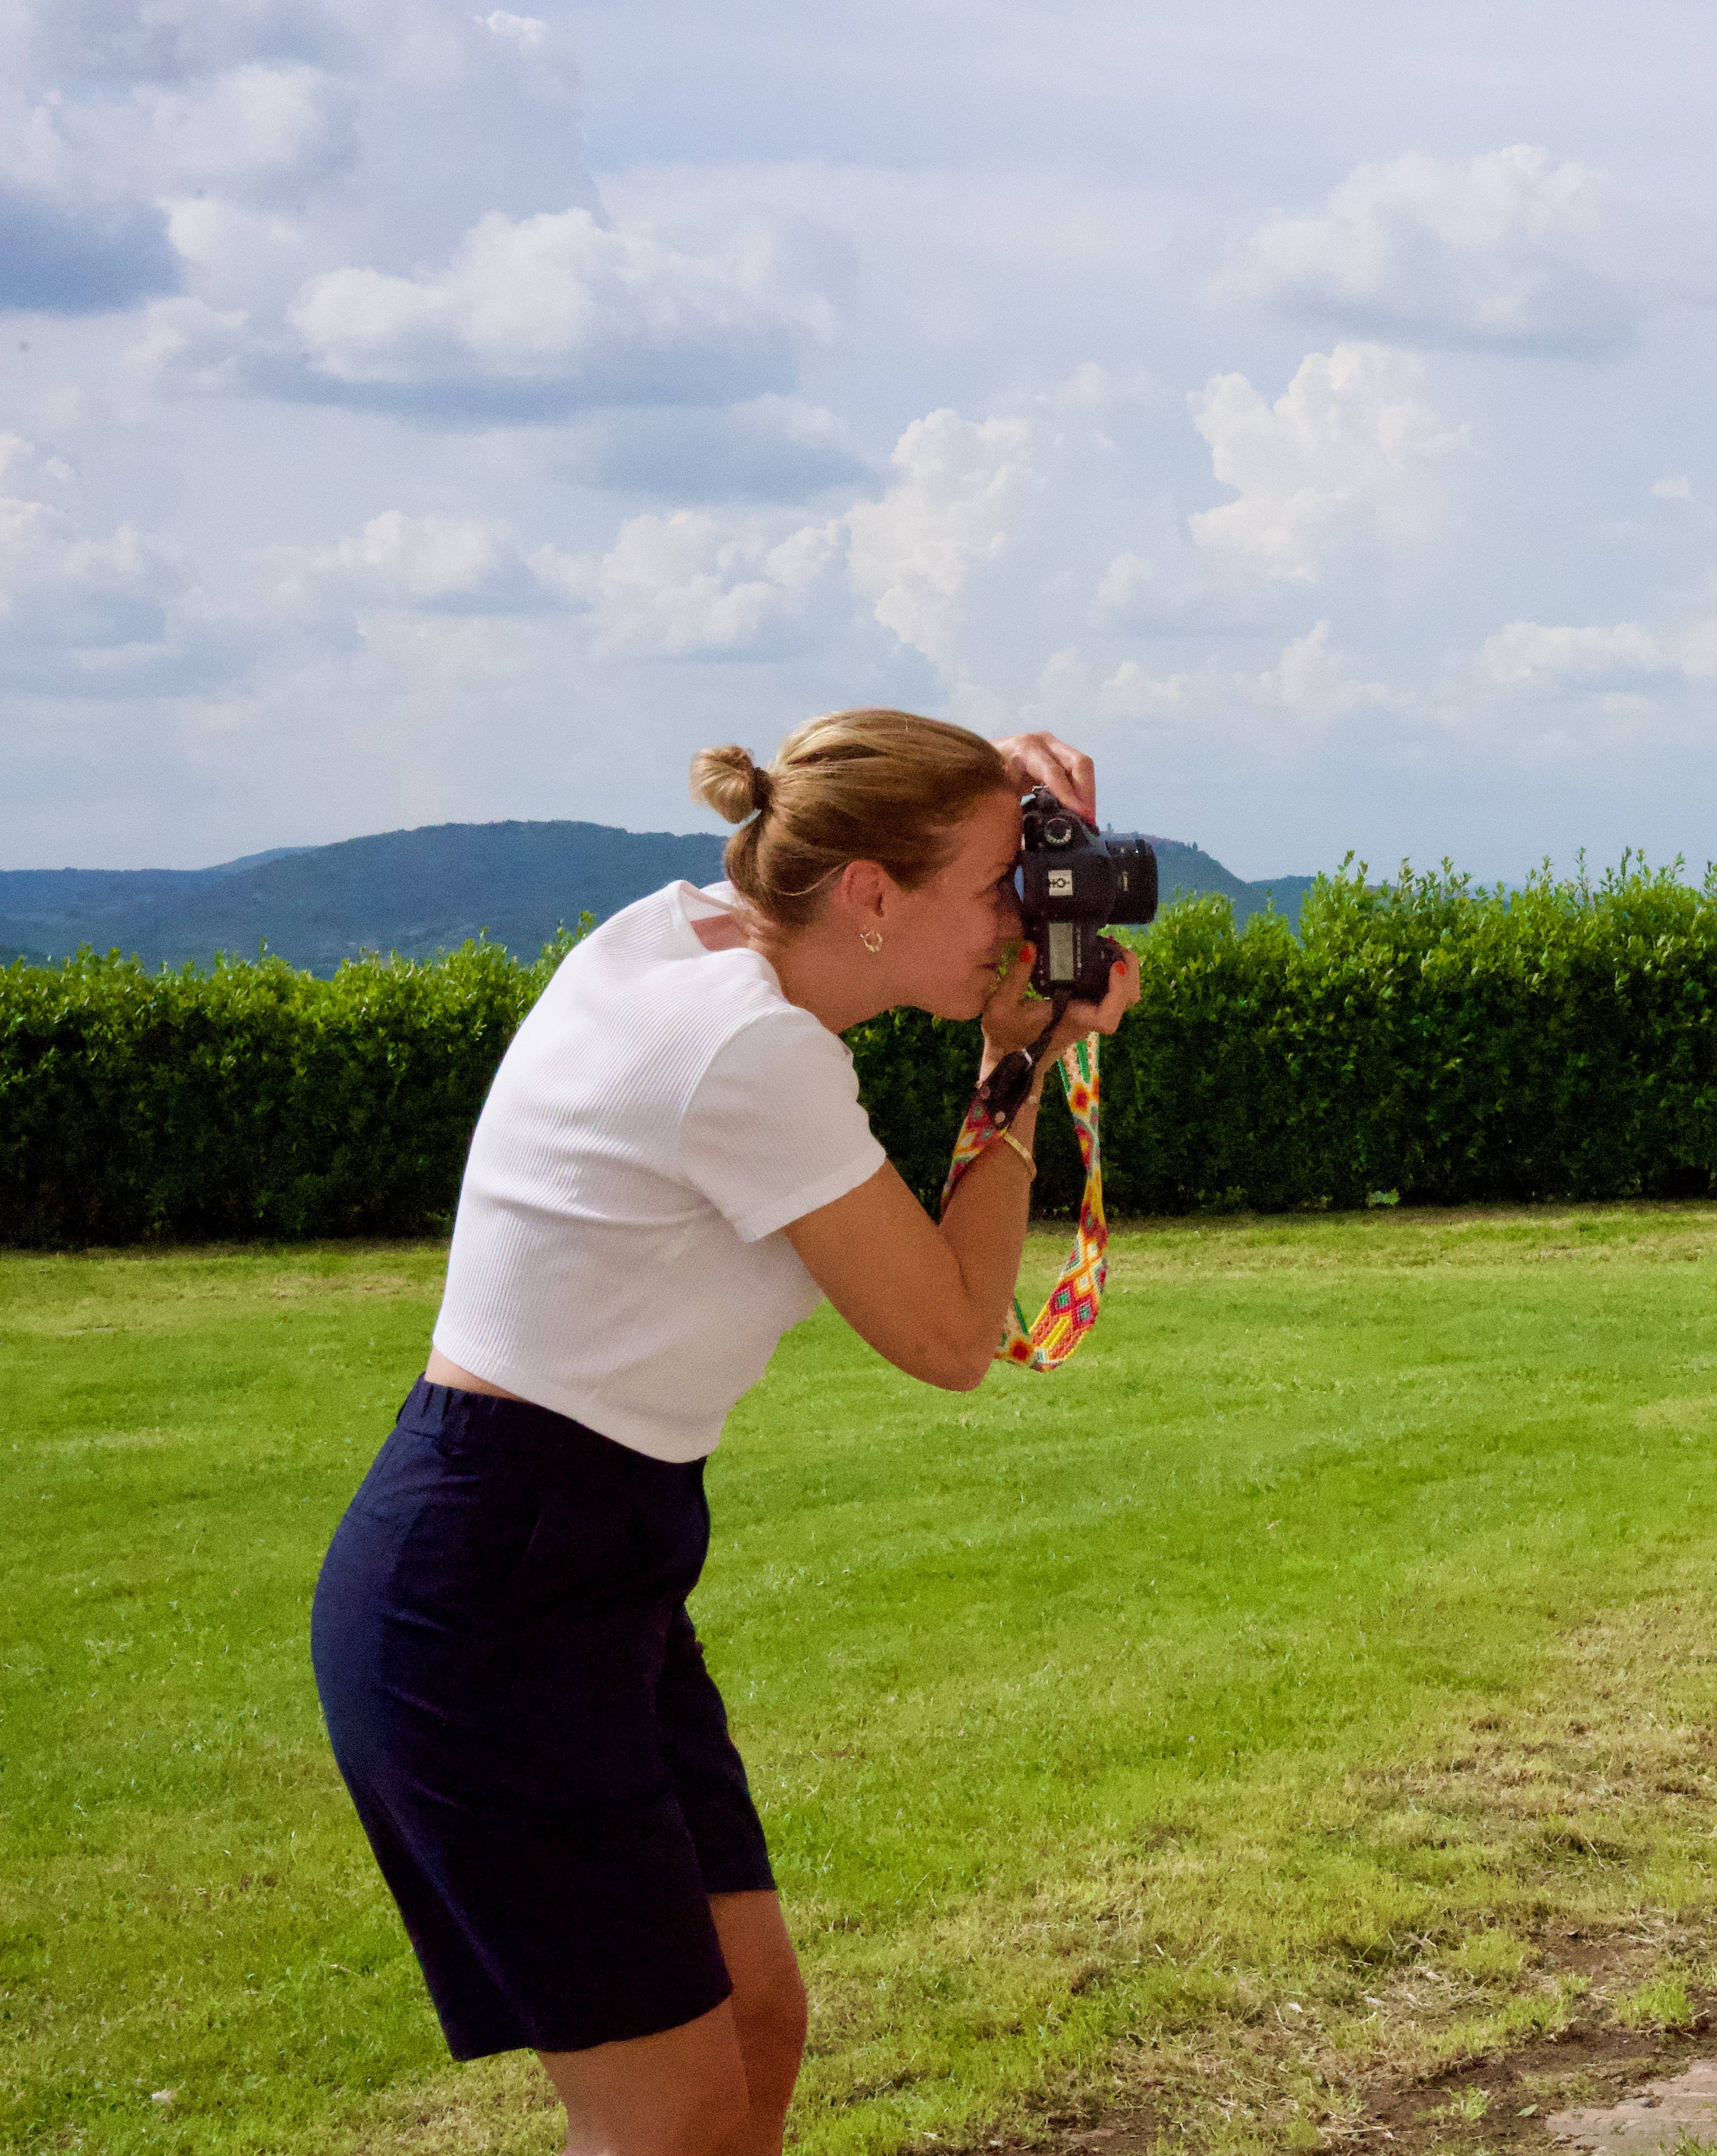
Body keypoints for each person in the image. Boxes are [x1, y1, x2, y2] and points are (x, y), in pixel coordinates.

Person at [309, 712, 1137, 2155]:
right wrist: (1012, 1068)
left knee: (756, 2023)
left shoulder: (679, 931)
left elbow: (851, 818)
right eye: (1002, 888)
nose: (1017, 926)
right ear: (872, 896)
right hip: (497, 1594)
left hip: (574, 1559)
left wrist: (1002, 832)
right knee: (668, 2122)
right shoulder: (749, 1053)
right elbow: (950, 1338)